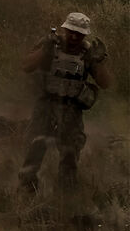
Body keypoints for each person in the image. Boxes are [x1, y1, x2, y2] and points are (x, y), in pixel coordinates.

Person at [17, 12, 113, 194]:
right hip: (46, 104)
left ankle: (65, 195)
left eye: (79, 34)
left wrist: (99, 61)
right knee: (35, 145)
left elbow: (105, 83)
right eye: (71, 32)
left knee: (70, 152)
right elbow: (26, 66)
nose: (75, 37)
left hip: (72, 109)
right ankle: (26, 190)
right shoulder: (51, 45)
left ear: (85, 35)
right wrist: (44, 50)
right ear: (65, 29)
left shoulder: (87, 53)